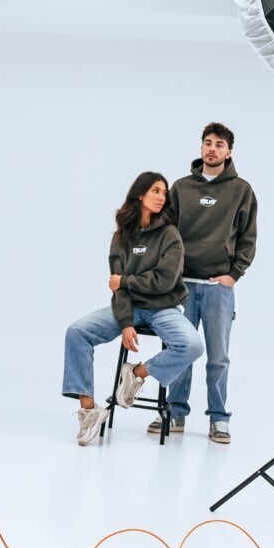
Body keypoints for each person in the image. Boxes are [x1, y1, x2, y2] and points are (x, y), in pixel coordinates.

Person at [62, 172, 202, 446]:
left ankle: (135, 374)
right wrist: (126, 323)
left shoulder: (170, 235)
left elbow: (164, 281)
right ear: (140, 194)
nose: (162, 197)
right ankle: (89, 411)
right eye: (156, 191)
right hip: (130, 308)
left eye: (164, 193)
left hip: (164, 308)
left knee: (192, 345)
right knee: (77, 332)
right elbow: (119, 291)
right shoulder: (121, 237)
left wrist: (125, 280)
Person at [162, 122, 258, 445]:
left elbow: (248, 239)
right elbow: (165, 234)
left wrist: (234, 275)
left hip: (219, 289)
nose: (212, 148)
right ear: (201, 147)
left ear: (229, 152)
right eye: (207, 142)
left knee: (218, 357)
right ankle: (175, 414)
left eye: (219, 144)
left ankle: (219, 419)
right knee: (179, 351)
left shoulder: (241, 191)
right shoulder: (181, 188)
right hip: (182, 287)